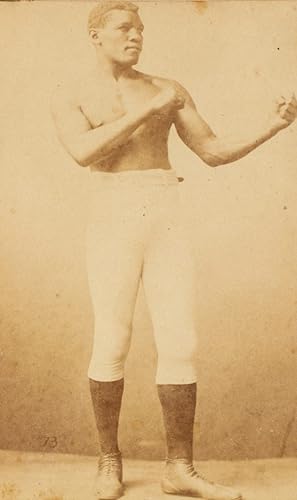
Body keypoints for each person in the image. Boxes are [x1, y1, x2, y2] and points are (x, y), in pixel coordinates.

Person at [51, 2, 297, 499]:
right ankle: (108, 463)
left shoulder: (168, 87)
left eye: (141, 28)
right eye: (124, 27)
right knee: (112, 337)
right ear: (95, 35)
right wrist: (145, 111)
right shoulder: (72, 92)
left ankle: (179, 468)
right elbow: (83, 152)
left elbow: (211, 150)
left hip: (166, 209)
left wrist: (274, 126)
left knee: (180, 339)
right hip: (111, 213)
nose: (136, 35)